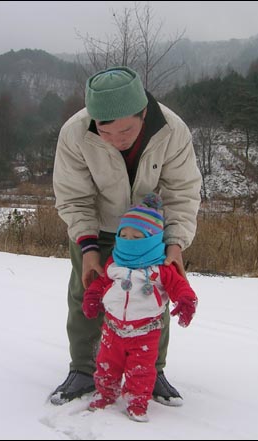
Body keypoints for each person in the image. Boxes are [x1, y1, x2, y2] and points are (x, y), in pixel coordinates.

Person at [51, 66, 202, 406]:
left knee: (155, 292)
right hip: (99, 226)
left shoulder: (171, 130)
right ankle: (85, 369)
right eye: (107, 133)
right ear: (94, 121)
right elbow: (74, 197)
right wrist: (89, 248)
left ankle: (153, 369)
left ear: (143, 113)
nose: (119, 140)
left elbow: (183, 192)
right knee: (86, 291)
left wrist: (175, 245)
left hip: (149, 231)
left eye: (127, 131)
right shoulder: (75, 133)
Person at [82, 193, 198, 422]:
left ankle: (137, 401)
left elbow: (178, 285)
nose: (127, 239)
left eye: (136, 237)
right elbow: (103, 281)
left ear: (151, 240)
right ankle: (106, 393)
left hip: (146, 333)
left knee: (141, 370)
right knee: (106, 364)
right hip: (112, 329)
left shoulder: (160, 269)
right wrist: (93, 295)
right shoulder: (114, 263)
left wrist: (186, 300)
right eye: (123, 235)